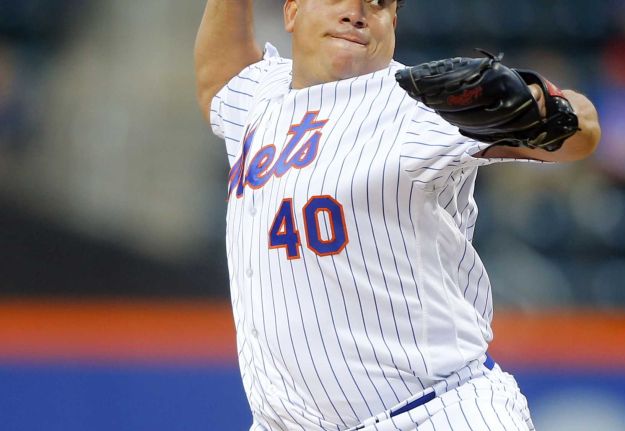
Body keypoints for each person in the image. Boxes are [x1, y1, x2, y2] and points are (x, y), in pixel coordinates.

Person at [194, 1, 601, 430]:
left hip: (433, 413)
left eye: (378, 3)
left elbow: (583, 135)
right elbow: (219, 81)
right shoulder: (262, 95)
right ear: (292, 11)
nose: (356, 12)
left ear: (393, 22)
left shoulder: (415, 107)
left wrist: (543, 105)